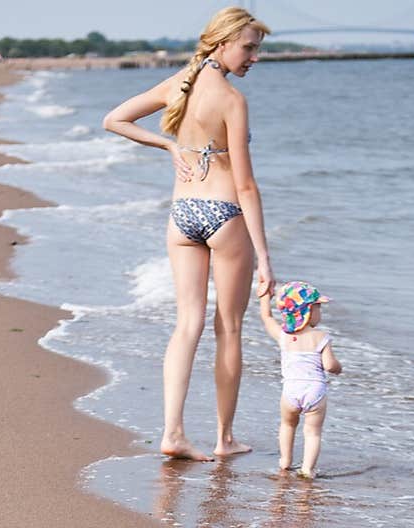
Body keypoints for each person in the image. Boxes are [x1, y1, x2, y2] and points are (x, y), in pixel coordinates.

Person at [103, 8, 274, 461]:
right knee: (230, 328)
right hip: (223, 213)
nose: (255, 56)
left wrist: (169, 144)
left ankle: (173, 433)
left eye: (257, 48)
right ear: (222, 43)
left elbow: (115, 119)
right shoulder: (232, 100)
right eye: (249, 47)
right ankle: (224, 439)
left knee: (187, 324)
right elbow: (245, 185)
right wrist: (265, 256)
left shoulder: (179, 83)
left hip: (181, 214)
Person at [258, 280, 342, 479]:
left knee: (287, 425)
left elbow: (266, 317)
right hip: (314, 392)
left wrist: (264, 297)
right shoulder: (321, 337)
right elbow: (330, 366)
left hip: (290, 391)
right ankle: (307, 469)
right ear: (307, 311)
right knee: (312, 432)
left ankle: (285, 461)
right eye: (318, 308)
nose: (320, 313)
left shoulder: (284, 336)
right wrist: (339, 368)